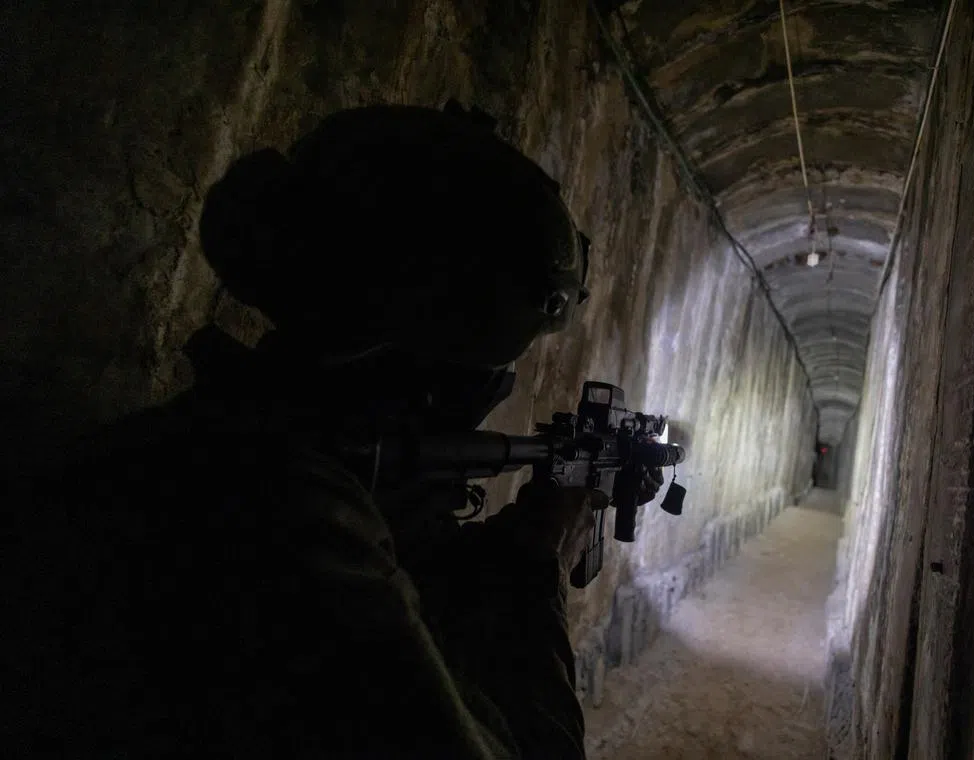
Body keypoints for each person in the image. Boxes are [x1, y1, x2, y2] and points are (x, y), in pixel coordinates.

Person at [6, 103, 663, 758]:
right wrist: (535, 561)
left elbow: (406, 589)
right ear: (445, 352)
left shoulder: (215, 448)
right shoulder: (281, 517)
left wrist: (514, 540)